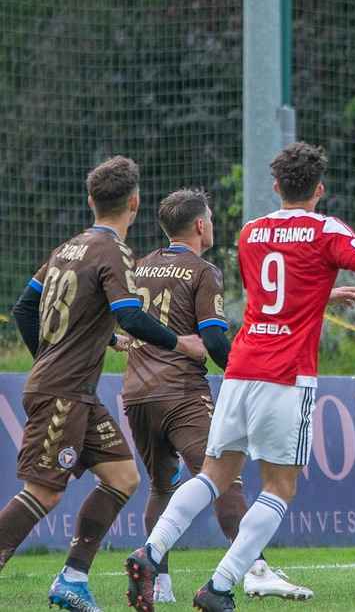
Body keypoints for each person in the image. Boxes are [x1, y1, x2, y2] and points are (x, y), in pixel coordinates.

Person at [125, 143, 355, 611]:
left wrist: (323, 293)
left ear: (277, 185)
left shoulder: (251, 232)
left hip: (241, 367)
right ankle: (220, 587)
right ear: (319, 189)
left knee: (214, 475)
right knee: (279, 487)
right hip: (286, 374)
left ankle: (150, 552)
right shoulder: (325, 229)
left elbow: (271, 295)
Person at [0, 156, 206, 612]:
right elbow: (130, 314)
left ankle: (72, 579)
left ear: (90, 200)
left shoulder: (68, 248)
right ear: (135, 203)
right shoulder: (114, 251)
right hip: (63, 391)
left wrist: (72, 350)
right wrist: (182, 343)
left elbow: (24, 309)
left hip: (70, 389)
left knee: (121, 477)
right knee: (44, 490)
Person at [122, 188, 347, 602]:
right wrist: (244, 373)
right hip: (181, 391)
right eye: (209, 219)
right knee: (221, 479)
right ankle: (253, 570)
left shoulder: (141, 266)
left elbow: (125, 317)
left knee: (162, 486)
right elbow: (212, 337)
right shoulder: (202, 270)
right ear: (200, 225)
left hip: (135, 390)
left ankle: (160, 581)